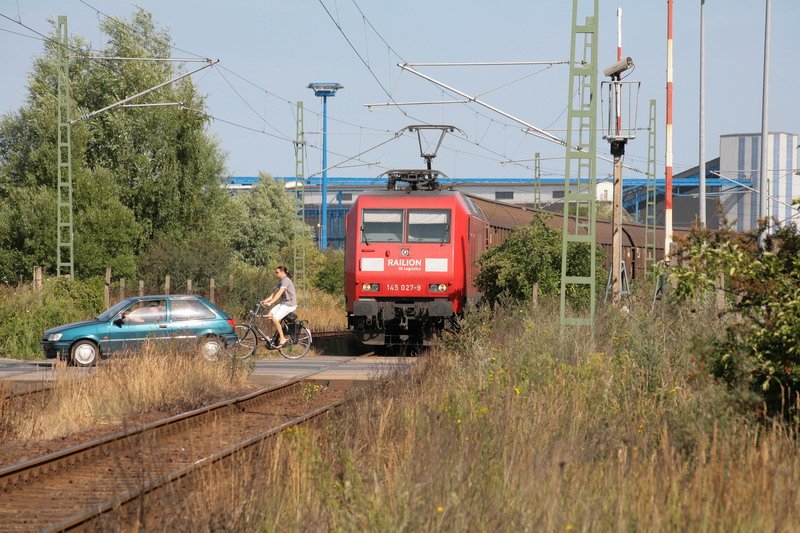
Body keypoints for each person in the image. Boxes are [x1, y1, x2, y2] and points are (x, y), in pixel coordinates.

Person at [260, 266, 297, 348]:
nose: (275, 274)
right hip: (284, 303)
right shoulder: (281, 282)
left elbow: (279, 293)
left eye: (277, 272)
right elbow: (273, 294)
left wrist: (271, 303)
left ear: (282, 272)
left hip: (289, 304)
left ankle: (283, 339)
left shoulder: (286, 280)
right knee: (269, 315)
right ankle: (269, 336)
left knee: (274, 318)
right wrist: (264, 301)